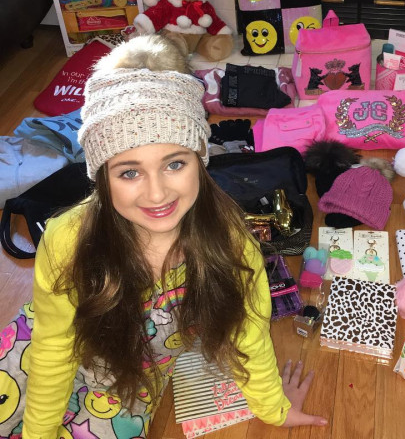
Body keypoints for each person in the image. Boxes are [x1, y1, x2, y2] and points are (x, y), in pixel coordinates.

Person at [0, 35, 327, 437]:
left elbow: (250, 332)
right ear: (102, 178)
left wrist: (273, 407)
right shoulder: (67, 239)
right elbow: (54, 350)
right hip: (55, 334)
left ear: (200, 160)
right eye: (130, 172)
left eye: (174, 164)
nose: (156, 195)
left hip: (134, 363)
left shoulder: (230, 240)